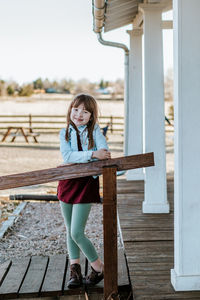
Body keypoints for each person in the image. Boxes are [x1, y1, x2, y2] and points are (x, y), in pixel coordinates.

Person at [57, 93, 111, 289]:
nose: (79, 114)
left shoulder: (95, 131)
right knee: (69, 229)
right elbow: (67, 155)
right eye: (76, 109)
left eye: (85, 111)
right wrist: (91, 154)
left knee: (77, 231)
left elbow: (103, 154)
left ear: (91, 116)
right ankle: (75, 269)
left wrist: (87, 157)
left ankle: (98, 267)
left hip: (86, 184)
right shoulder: (63, 133)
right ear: (70, 109)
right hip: (66, 183)